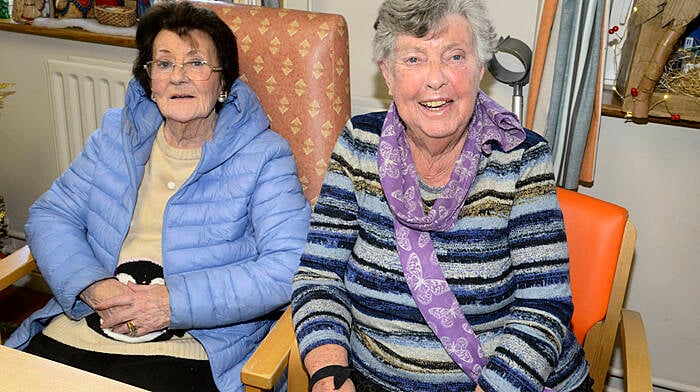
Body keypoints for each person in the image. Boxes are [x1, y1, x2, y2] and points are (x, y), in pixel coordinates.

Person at [4, 1, 310, 391]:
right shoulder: (116, 136)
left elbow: (288, 267)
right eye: (164, 64)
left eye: (196, 64)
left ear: (224, 83)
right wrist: (93, 286)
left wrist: (171, 304)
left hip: (192, 345)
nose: (178, 78)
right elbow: (50, 215)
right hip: (87, 321)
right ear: (150, 80)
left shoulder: (264, 154)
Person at [291, 0, 593, 391]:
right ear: (387, 73)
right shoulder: (359, 144)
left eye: (455, 56)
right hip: (373, 380)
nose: (436, 79)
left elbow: (542, 306)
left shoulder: (521, 157)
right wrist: (330, 371)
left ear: (480, 69)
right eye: (414, 59)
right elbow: (320, 276)